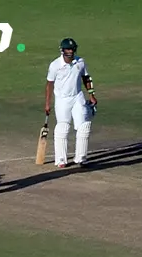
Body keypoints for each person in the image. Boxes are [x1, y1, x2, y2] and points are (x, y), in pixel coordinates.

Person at [44, 37, 96, 168]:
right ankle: (61, 159)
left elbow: (86, 78)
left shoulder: (80, 62)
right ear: (62, 50)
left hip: (77, 97)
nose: (70, 51)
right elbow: (49, 84)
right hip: (62, 99)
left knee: (84, 126)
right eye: (68, 49)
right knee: (63, 127)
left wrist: (92, 95)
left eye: (72, 49)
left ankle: (81, 158)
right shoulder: (55, 65)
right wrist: (47, 103)